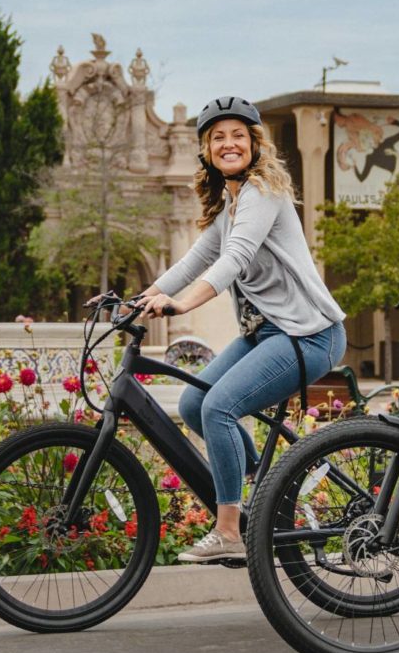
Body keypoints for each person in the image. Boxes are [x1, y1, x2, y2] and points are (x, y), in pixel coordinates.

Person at [135, 98, 349, 563]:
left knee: (219, 408)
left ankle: (230, 532)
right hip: (266, 334)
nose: (228, 144)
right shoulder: (230, 206)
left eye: (237, 135)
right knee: (194, 405)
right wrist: (138, 300)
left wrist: (181, 304)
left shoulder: (263, 193)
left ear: (254, 143)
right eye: (218, 137)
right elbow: (193, 260)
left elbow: (234, 260)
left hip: (309, 335)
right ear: (206, 150)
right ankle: (266, 485)